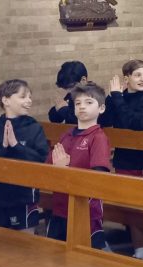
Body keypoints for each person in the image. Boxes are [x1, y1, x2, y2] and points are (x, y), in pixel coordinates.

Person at [0, 79, 49, 231]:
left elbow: (42, 159)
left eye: (30, 97)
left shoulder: (34, 128)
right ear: (6, 100)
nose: (29, 101)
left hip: (24, 197)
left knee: (24, 245)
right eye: (23, 97)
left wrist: (16, 146)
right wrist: (3, 147)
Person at [46, 82, 111, 250]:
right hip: (60, 207)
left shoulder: (98, 138)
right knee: (56, 254)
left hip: (85, 210)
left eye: (89, 103)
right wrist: (56, 168)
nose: (82, 107)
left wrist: (64, 170)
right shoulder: (66, 135)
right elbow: (48, 167)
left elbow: (97, 177)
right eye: (78, 103)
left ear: (101, 108)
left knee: (87, 258)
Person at [105, 59, 143, 178]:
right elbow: (105, 122)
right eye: (138, 75)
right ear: (126, 79)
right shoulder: (118, 98)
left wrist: (117, 98)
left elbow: (132, 124)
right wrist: (110, 98)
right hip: (122, 159)